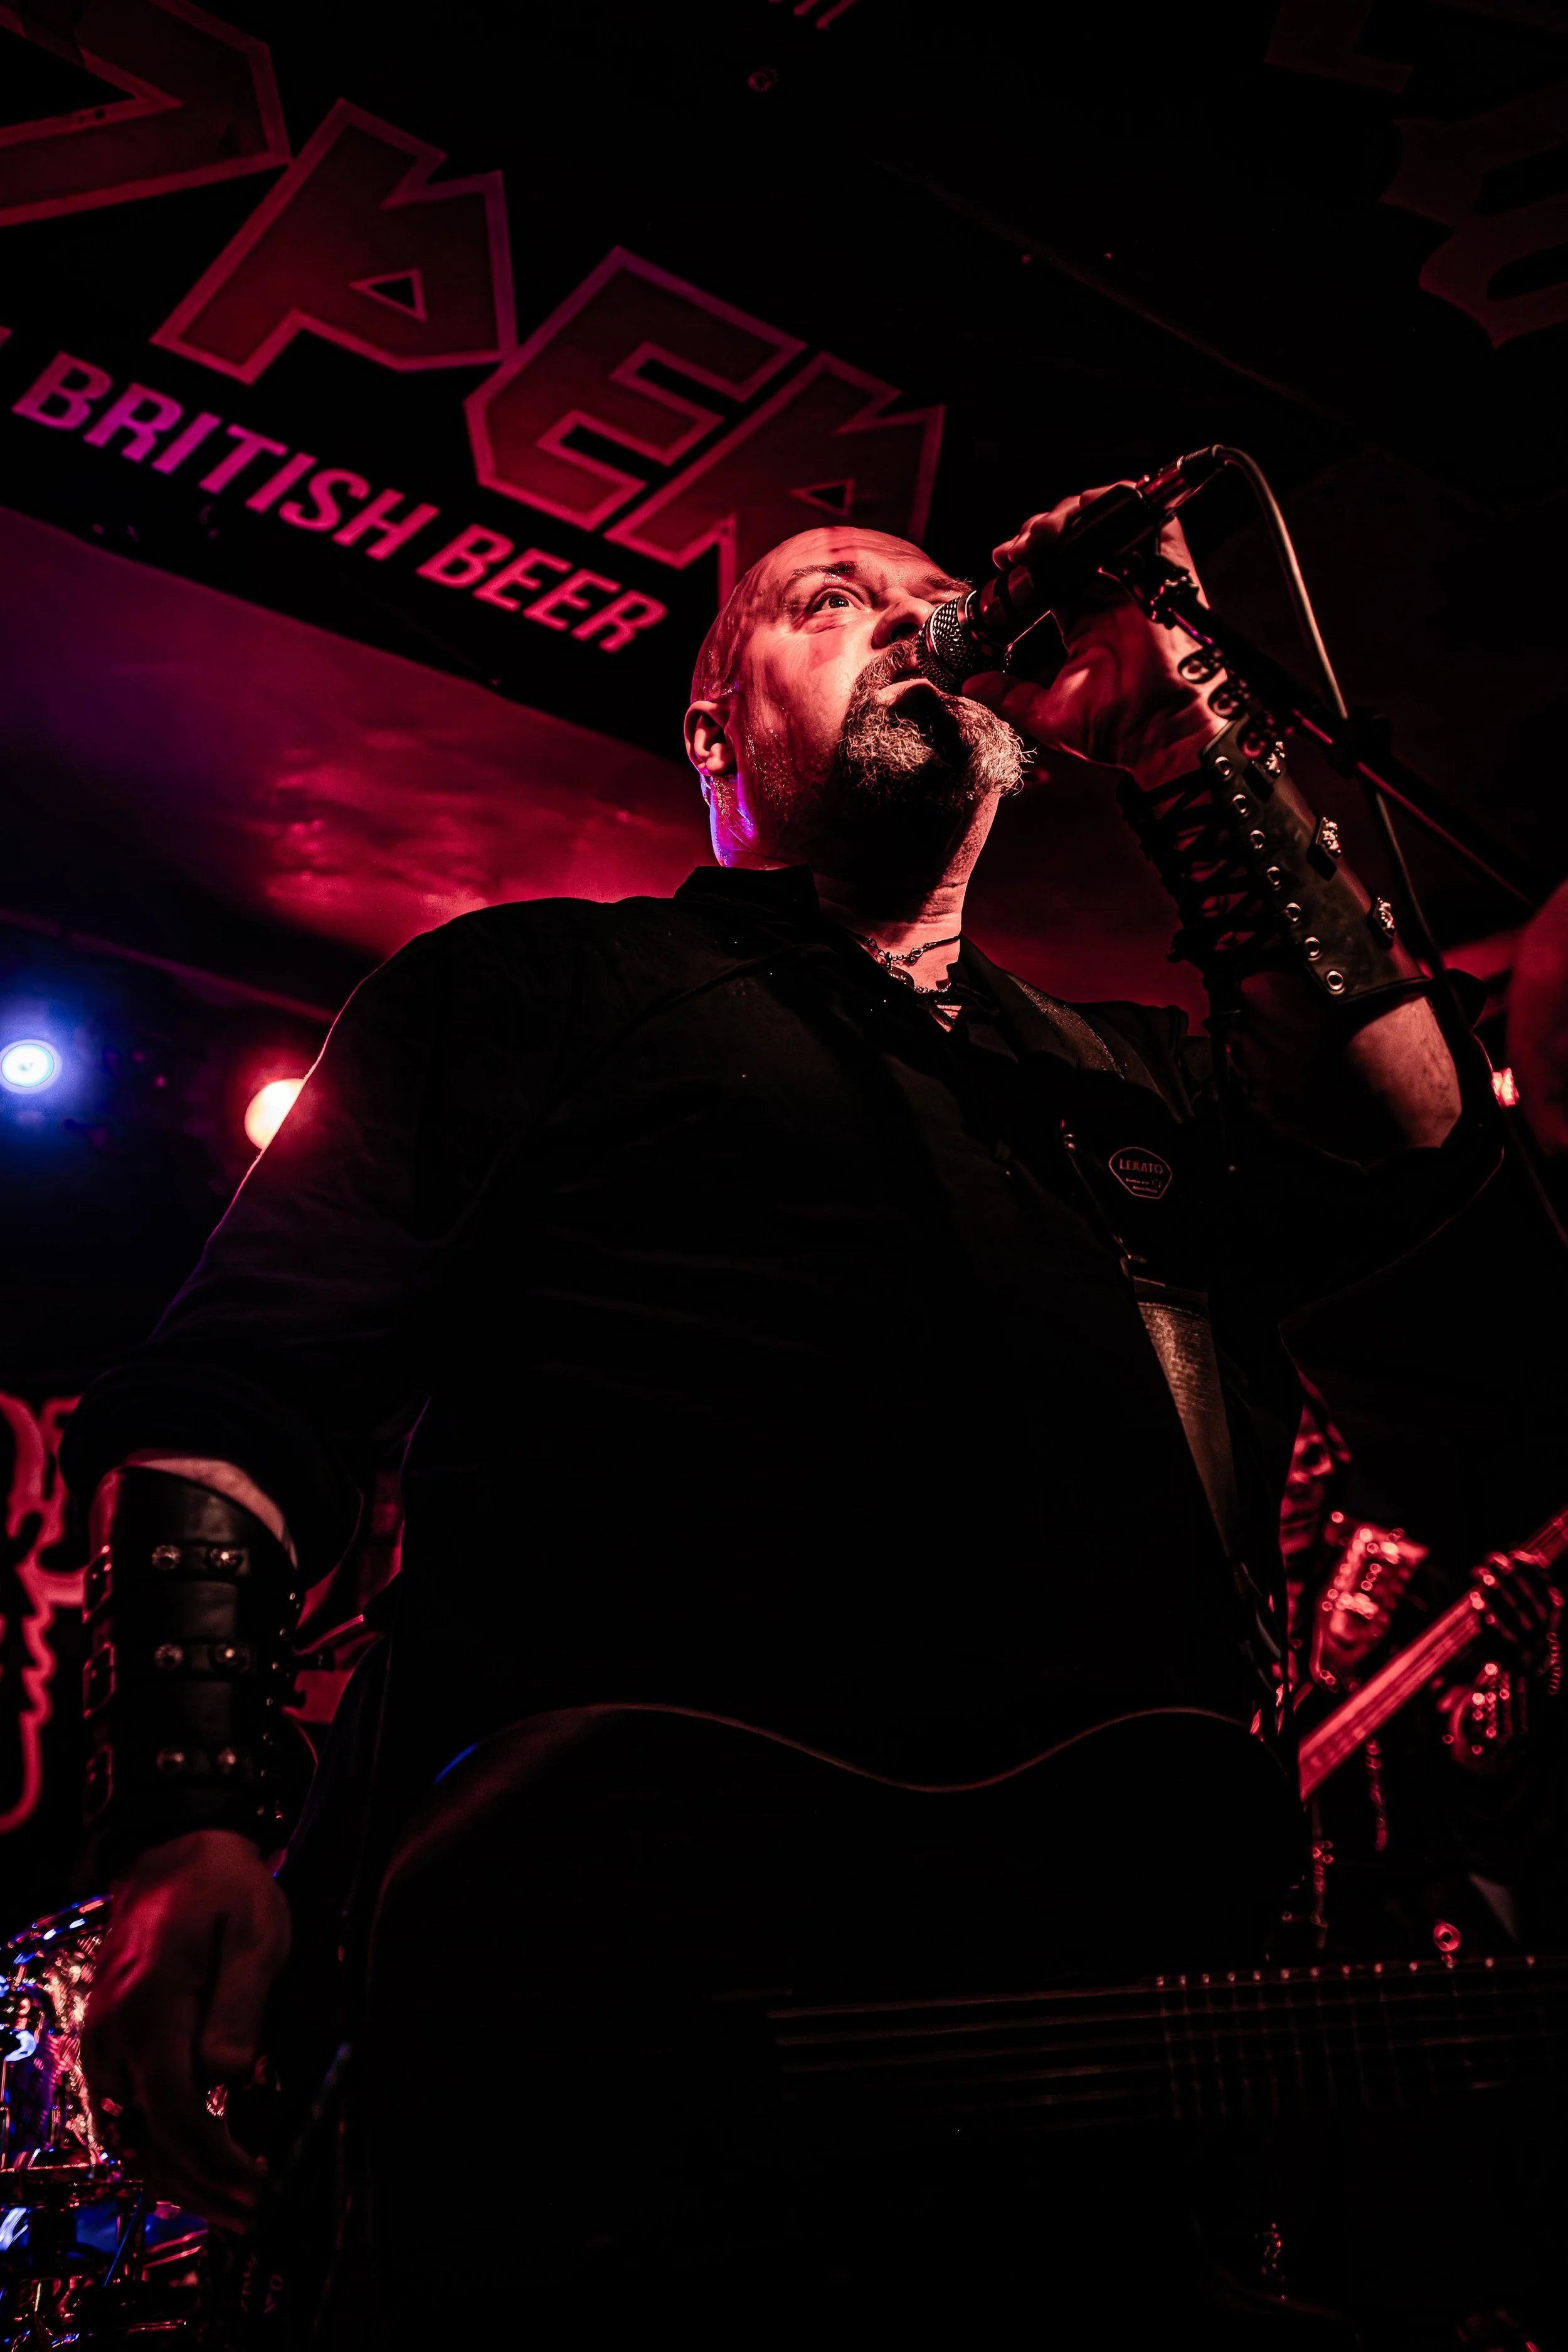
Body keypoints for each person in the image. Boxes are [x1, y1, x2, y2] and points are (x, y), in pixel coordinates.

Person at [61, 494, 1490, 2326]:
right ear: (714, 727)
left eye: (933, 599)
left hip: (1068, 2101)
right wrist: (184, 1822)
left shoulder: (1124, 1087)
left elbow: (1405, 1132)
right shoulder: (534, 989)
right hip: (603, 2042)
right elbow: (235, 1395)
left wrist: (1178, 737)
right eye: (831, 600)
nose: (907, 621)